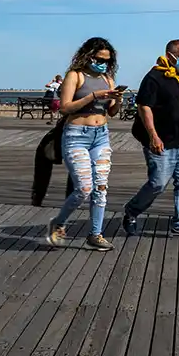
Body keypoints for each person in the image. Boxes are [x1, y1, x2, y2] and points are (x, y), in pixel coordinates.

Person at [46, 39, 123, 251]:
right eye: (99, 59)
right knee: (84, 188)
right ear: (88, 56)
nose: (103, 64)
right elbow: (65, 107)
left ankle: (95, 234)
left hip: (101, 135)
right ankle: (58, 222)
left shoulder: (108, 78)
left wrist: (117, 99)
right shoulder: (75, 75)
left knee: (100, 187)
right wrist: (93, 96)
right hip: (77, 135)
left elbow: (112, 112)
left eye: (108, 61)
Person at [121, 39, 179, 239]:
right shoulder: (154, 77)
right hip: (160, 140)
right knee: (157, 183)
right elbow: (144, 106)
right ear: (170, 55)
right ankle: (132, 211)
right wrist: (153, 136)